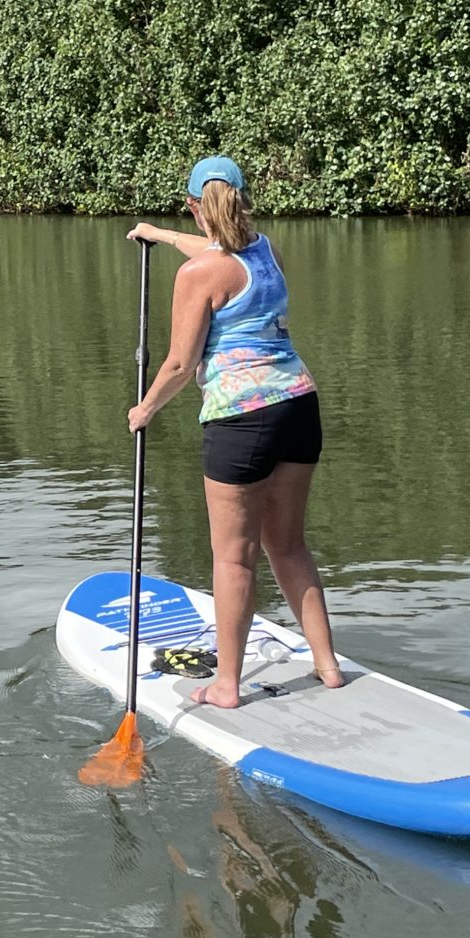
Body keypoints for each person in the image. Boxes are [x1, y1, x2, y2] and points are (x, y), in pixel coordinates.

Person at [124, 156, 344, 707]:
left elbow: (179, 363)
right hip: (299, 404)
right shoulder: (266, 250)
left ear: (197, 205)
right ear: (243, 198)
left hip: (241, 419)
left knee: (232, 557)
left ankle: (226, 685)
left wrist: (145, 409)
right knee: (288, 544)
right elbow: (219, 251)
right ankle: (328, 665)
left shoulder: (198, 276)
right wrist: (159, 234)